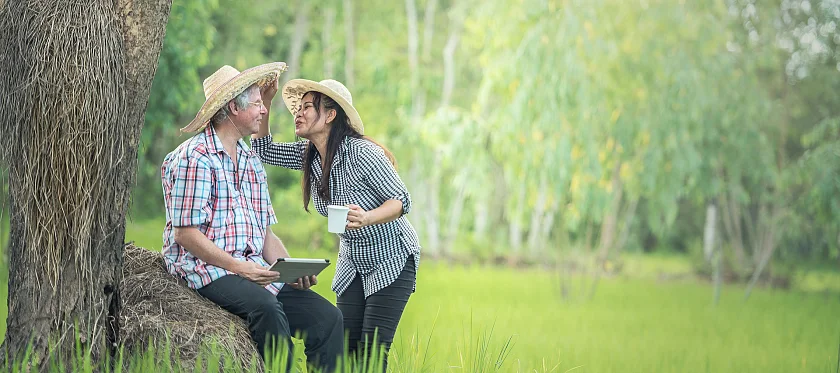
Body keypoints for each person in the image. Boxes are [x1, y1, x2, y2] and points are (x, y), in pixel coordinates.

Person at [160, 64, 343, 372]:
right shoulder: (196, 158)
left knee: (328, 318)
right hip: (209, 269)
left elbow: (265, 235)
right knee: (267, 308)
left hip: (250, 268)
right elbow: (185, 235)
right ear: (234, 107)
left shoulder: (250, 161)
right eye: (258, 102)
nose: (263, 109)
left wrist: (290, 269)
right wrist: (239, 267)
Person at [250, 78, 421, 371]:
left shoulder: (361, 153)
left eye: (307, 107)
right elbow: (263, 150)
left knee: (370, 355)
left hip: (390, 258)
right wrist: (266, 100)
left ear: (330, 115)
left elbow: (401, 200)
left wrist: (367, 217)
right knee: (343, 349)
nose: (298, 114)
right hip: (352, 260)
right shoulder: (311, 156)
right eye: (297, 108)